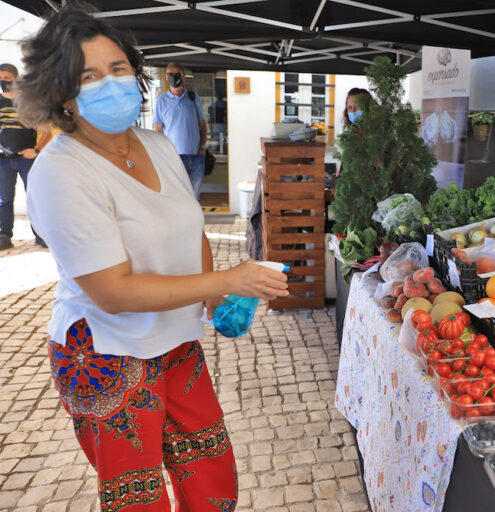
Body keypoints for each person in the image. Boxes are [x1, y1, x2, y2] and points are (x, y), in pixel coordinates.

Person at [15, 5, 288, 511]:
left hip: (176, 343)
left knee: (211, 474)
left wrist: (214, 293)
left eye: (117, 68)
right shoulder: (61, 172)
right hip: (106, 353)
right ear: (60, 93)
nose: (110, 83)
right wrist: (226, 279)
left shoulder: (157, 145)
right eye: (88, 75)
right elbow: (113, 292)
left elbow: (191, 229)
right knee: (138, 498)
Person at [0, 63, 51, 250]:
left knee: (35, 197)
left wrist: (35, 150)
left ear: (16, 79)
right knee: (4, 199)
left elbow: (46, 132)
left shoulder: (29, 103)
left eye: (6, 78)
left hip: (27, 158)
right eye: (0, 78)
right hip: (3, 160)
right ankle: (4, 236)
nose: (3, 82)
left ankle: (40, 235)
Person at [153, 62, 207, 200]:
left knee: (194, 196)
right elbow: (158, 130)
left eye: (177, 74)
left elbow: (203, 125)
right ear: (166, 77)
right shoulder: (161, 101)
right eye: (170, 74)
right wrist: (164, 152)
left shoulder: (193, 98)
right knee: (177, 196)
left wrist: (202, 146)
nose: (173, 77)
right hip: (174, 157)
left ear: (184, 77)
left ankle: (195, 222)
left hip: (196, 156)